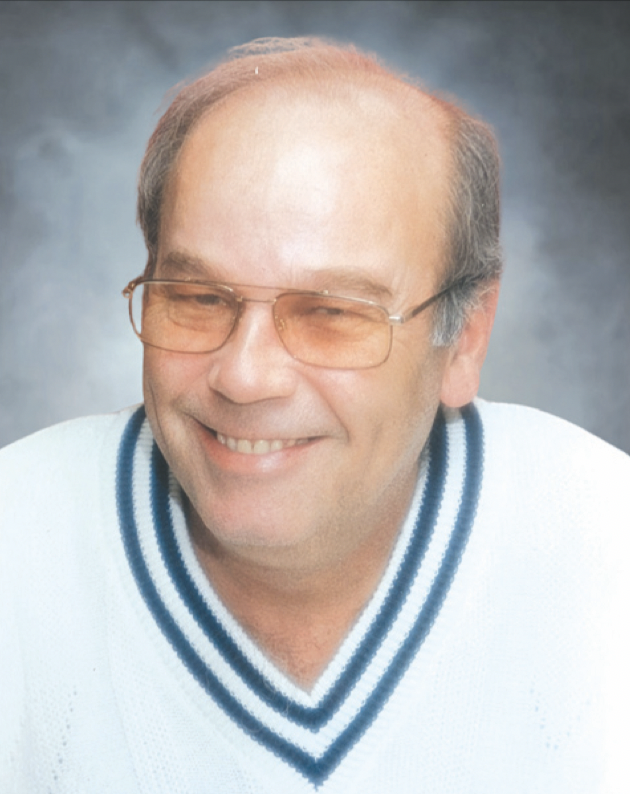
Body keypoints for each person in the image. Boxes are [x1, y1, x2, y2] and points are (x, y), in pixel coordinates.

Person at [1, 37, 629, 794]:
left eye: (332, 312)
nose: (244, 375)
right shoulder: (19, 538)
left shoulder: (607, 549)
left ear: (464, 336)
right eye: (198, 299)